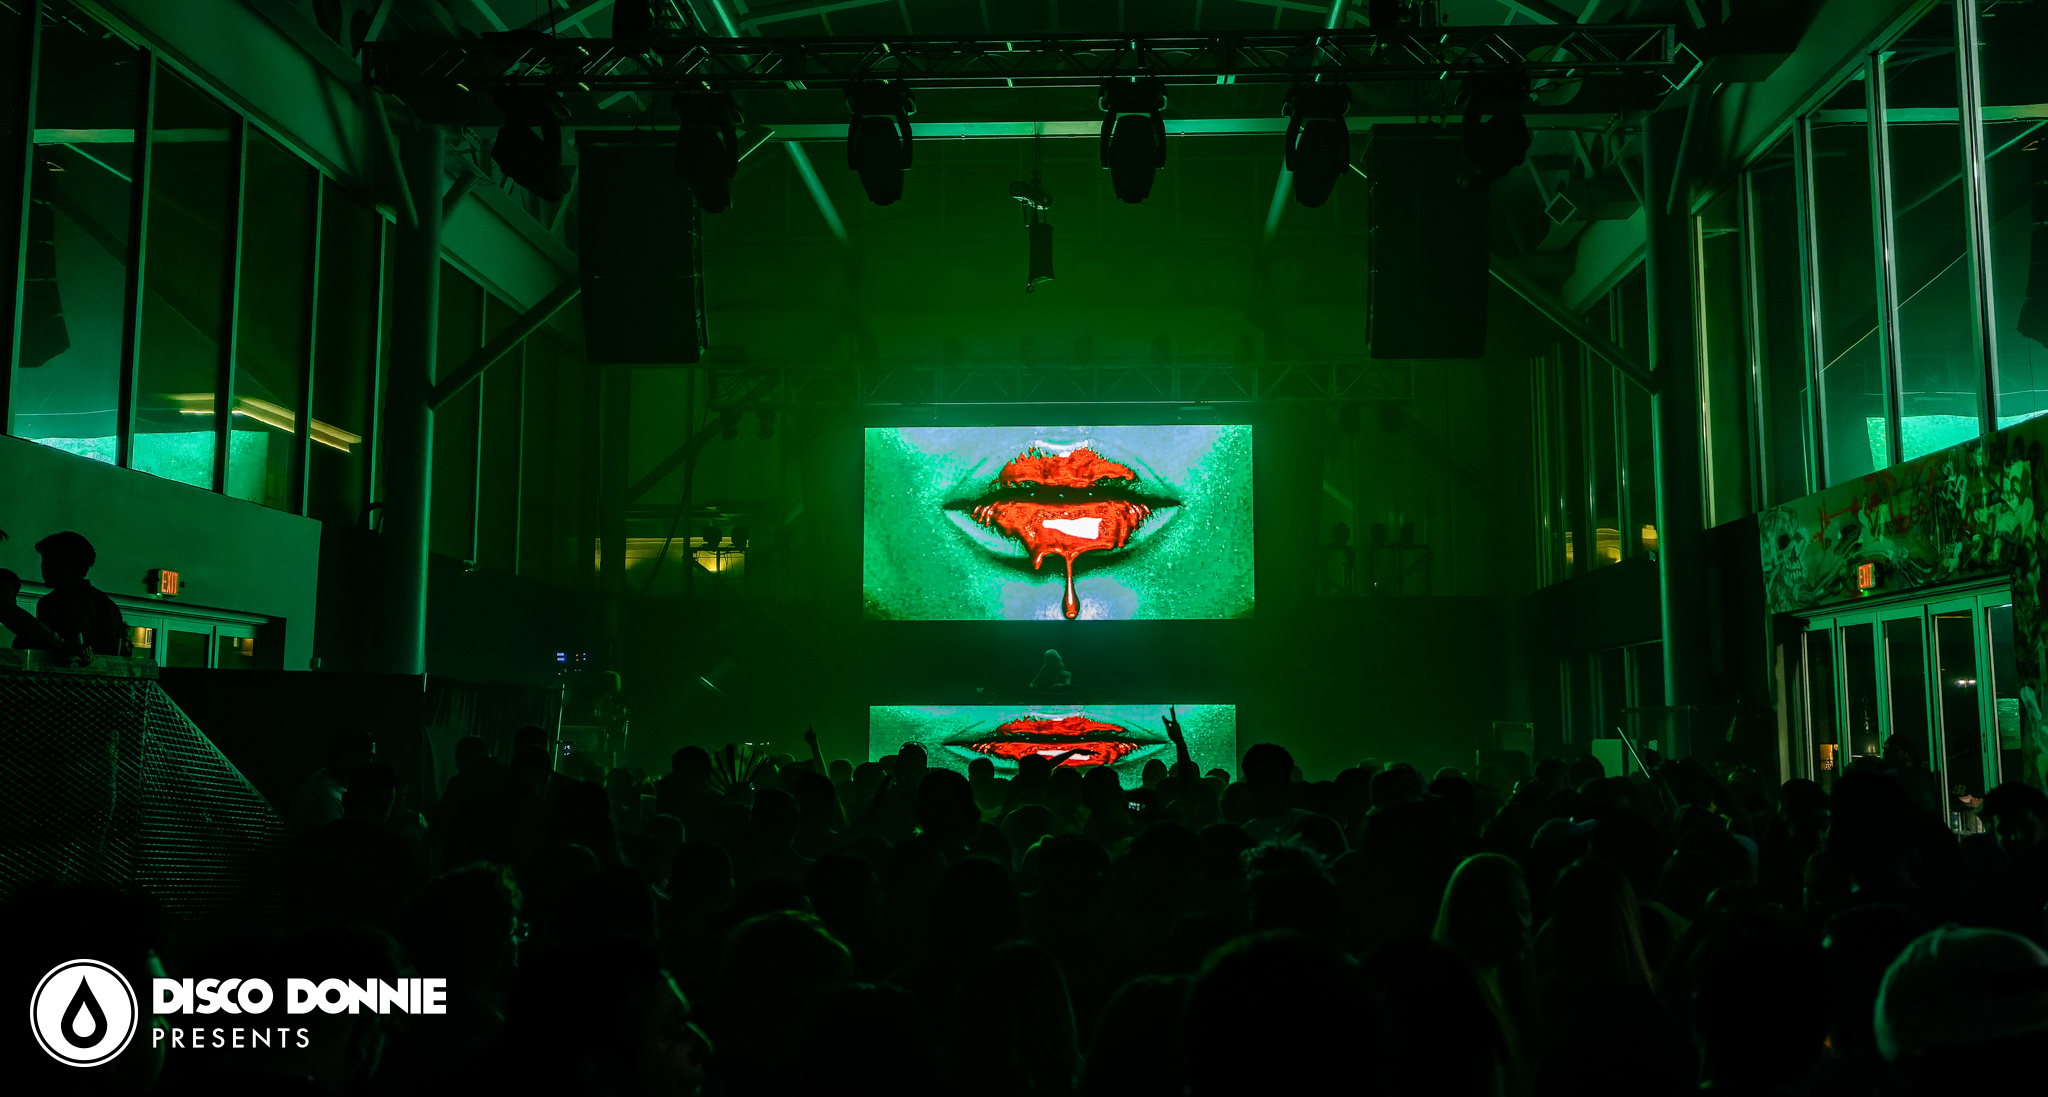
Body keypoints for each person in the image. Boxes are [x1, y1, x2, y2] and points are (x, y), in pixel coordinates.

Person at [28, 531, 125, 656]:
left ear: (61, 563)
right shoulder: (109, 605)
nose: (42, 567)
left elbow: (52, 653)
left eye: (47, 560)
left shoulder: (54, 602)